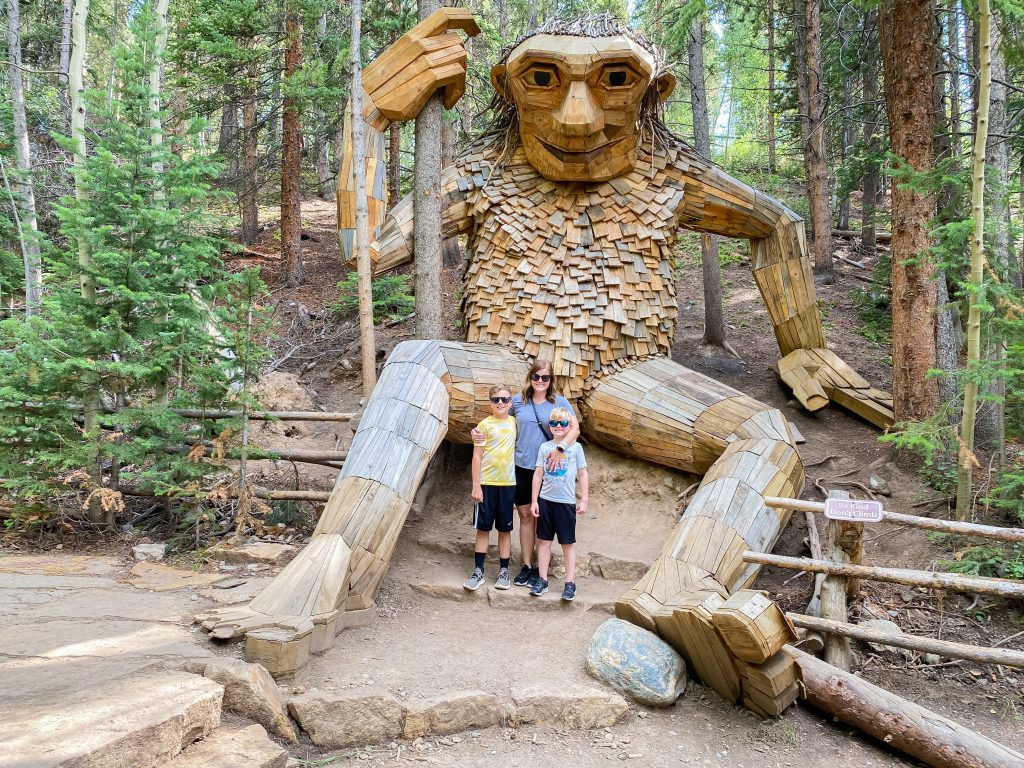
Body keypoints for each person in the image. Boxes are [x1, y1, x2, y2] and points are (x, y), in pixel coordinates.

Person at [505, 359, 580, 588]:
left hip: (548, 471)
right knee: (526, 516)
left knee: (541, 518)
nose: (540, 381)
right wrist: (479, 433)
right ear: (530, 377)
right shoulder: (518, 401)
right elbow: (503, 424)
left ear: (551, 380)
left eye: (545, 377)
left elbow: (575, 429)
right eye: (536, 377)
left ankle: (541, 568)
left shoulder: (559, 402)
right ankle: (527, 565)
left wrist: (560, 449)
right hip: (522, 466)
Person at [529, 407, 588, 601]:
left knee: (567, 543)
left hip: (566, 502)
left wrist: (584, 499)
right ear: (550, 426)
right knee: (544, 541)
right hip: (546, 501)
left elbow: (583, 473)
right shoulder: (545, 447)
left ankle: (570, 582)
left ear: (570, 426)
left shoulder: (576, 448)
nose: (559, 427)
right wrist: (534, 501)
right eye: (554, 423)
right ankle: (542, 579)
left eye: (564, 423)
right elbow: (538, 474)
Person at [464, 384, 518, 591]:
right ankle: (478, 570)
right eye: (496, 400)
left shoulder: (515, 423)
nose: (501, 403)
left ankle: (504, 570)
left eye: (505, 399)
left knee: (505, 529)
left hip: (508, 484)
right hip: (487, 484)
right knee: (483, 528)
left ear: (511, 402)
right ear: (490, 403)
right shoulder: (484, 425)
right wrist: (476, 486)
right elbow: (477, 457)